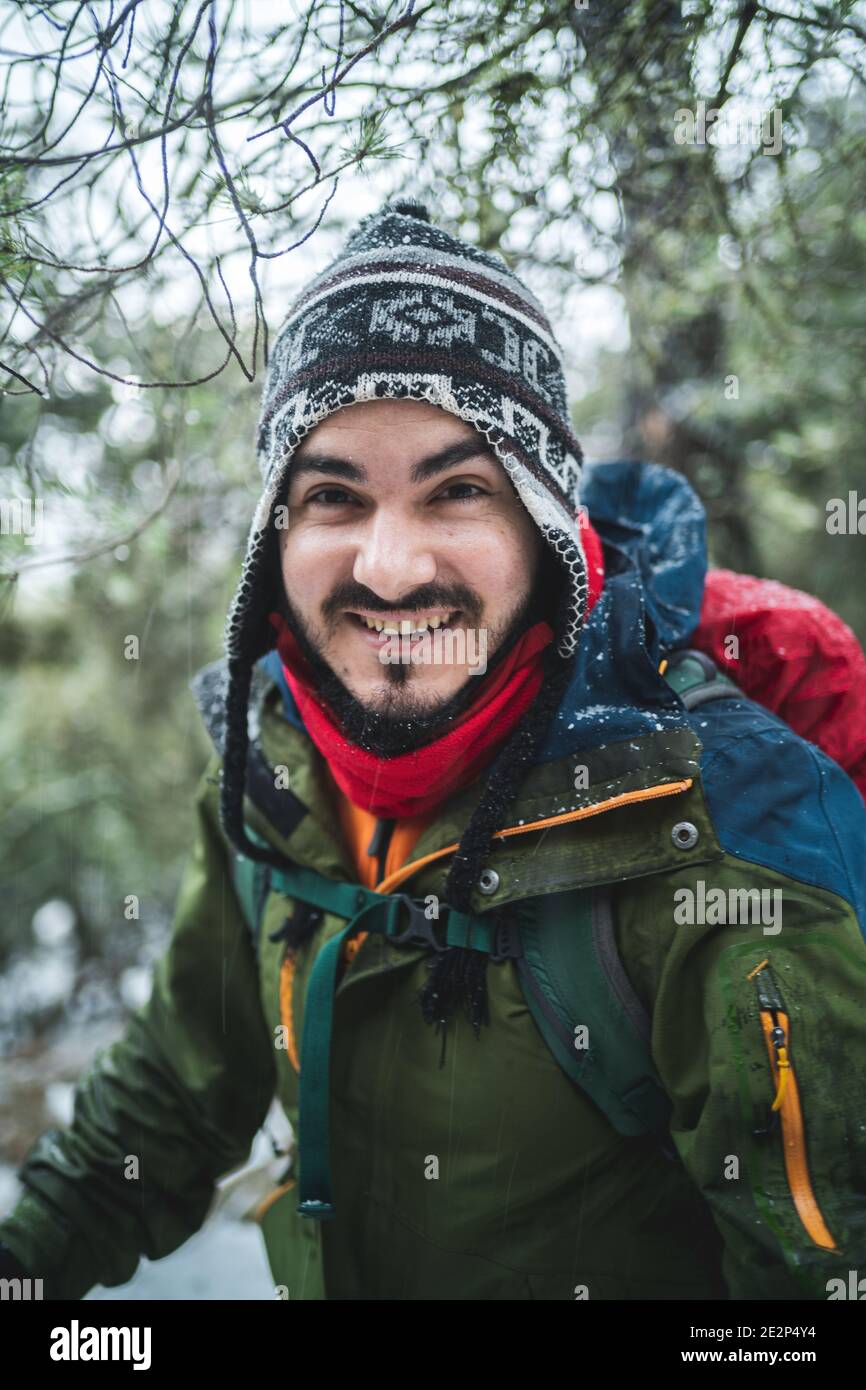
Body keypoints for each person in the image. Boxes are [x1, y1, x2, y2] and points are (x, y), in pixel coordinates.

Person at [2, 199, 865, 1302]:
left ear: (545, 529)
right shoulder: (268, 779)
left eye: (457, 489)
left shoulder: (718, 839)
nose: (393, 567)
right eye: (332, 496)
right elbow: (175, 1088)